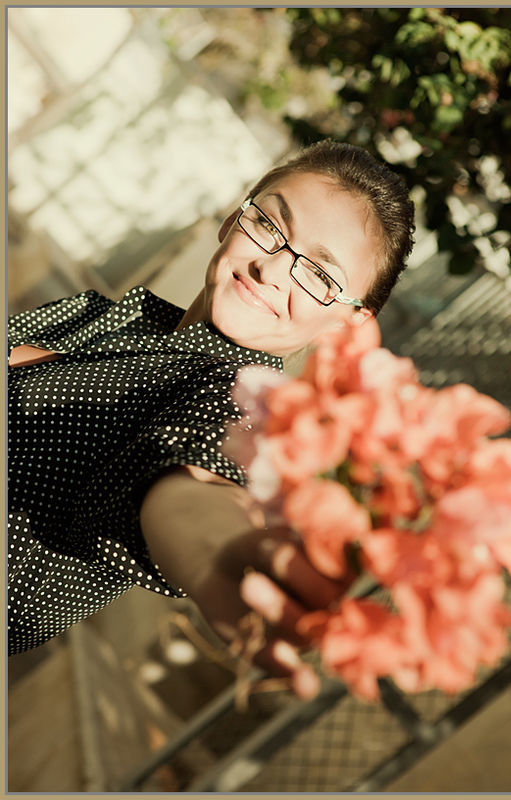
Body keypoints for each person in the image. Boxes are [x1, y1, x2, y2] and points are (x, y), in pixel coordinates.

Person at [8, 139, 415, 698]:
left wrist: (214, 551)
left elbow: (188, 484)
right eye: (269, 225)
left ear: (348, 324)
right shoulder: (116, 316)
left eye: (320, 276)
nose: (271, 268)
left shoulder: (238, 404)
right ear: (232, 219)